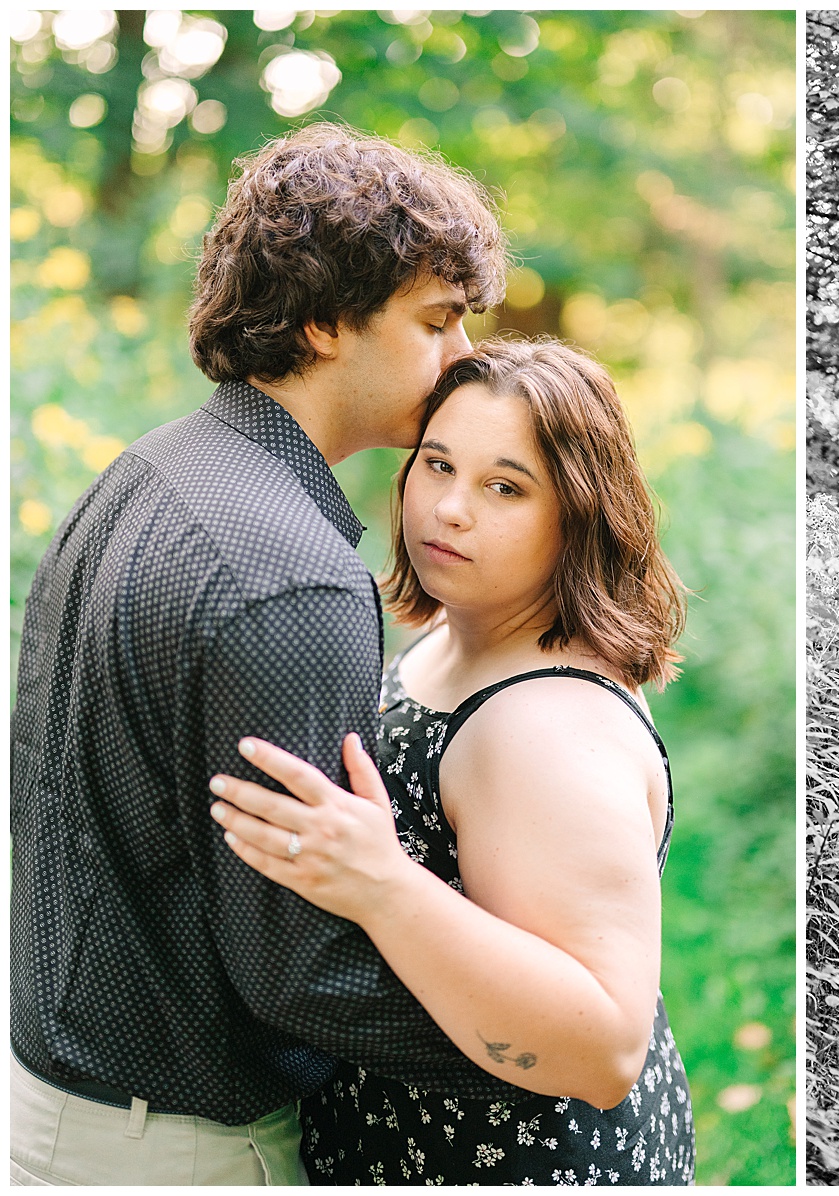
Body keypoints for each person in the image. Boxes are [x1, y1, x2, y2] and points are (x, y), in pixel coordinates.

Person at [10, 124, 518, 1185]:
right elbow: (301, 970)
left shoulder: (144, 472)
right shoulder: (295, 577)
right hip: (174, 1147)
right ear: (328, 320)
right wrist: (542, 1049)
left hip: (62, 1106)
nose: (462, 354)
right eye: (435, 320)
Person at [207, 338, 696, 1185]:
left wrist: (381, 884)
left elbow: (606, 1046)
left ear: (578, 514)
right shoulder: (458, 632)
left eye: (505, 487)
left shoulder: (545, 724)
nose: (450, 509)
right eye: (437, 466)